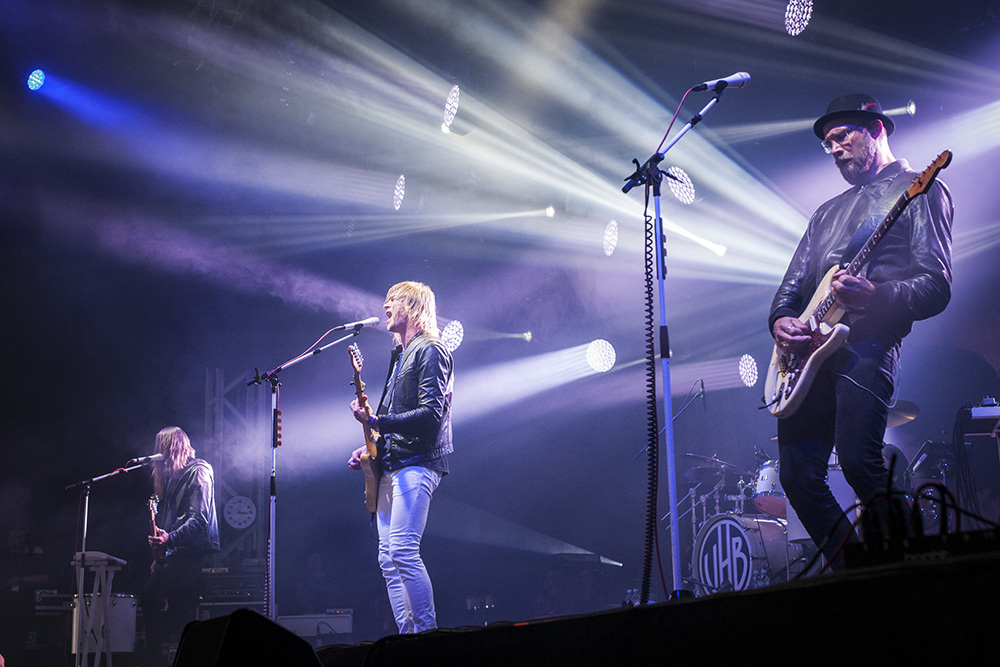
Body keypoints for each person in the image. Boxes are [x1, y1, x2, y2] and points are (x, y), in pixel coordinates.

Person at [769, 93, 953, 569]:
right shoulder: (825, 213)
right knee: (797, 475)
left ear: (877, 129)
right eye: (827, 143)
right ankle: (856, 572)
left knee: (859, 461)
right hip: (809, 355)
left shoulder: (919, 188)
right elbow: (791, 289)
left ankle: (912, 571)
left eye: (842, 136)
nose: (834, 149)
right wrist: (781, 320)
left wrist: (877, 296)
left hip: (866, 346)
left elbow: (936, 285)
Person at [348, 281, 454, 634]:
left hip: (418, 462)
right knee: (388, 557)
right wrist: (369, 446)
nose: (386, 306)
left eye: (393, 299)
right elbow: (391, 419)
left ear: (413, 306)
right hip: (394, 464)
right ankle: (407, 637)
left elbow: (430, 414)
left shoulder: (431, 350)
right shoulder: (400, 355)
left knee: (404, 551)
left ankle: (427, 635)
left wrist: (377, 422)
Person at [138, 426, 220, 667]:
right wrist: (162, 553)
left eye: (162, 448)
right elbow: (173, 523)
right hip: (178, 551)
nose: (159, 455)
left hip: (192, 551)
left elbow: (199, 519)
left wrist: (170, 540)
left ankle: (155, 659)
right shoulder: (173, 479)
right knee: (181, 612)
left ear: (173, 448)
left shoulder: (199, 472)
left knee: (150, 596)